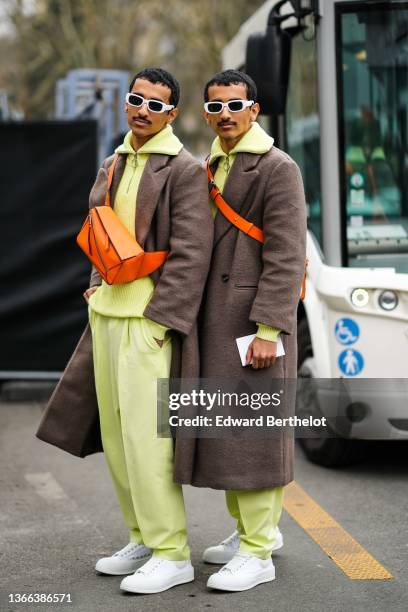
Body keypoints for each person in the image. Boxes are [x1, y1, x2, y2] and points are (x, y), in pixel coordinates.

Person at [58, 67, 213, 595]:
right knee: (118, 440)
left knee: (149, 443)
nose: (142, 109)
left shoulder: (185, 169)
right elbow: (100, 229)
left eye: (156, 103)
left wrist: (163, 322)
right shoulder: (115, 161)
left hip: (147, 321)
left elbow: (192, 256)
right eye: (136, 99)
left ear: (172, 113)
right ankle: (142, 538)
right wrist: (96, 282)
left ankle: (173, 553)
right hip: (105, 315)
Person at [173, 69, 307, 592]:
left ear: (255, 109)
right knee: (229, 432)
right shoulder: (213, 162)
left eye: (235, 105)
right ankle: (252, 532)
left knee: (254, 434)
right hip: (215, 318)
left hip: (254, 324)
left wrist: (270, 329)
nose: (225, 114)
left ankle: (258, 549)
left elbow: (287, 253)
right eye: (216, 107)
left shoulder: (279, 167)